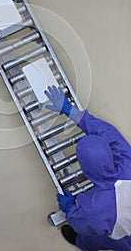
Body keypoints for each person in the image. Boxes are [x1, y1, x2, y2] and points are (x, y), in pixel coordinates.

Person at [44, 85, 131, 251]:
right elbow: (107, 132)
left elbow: (82, 223)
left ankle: (82, 244)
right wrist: (70, 110)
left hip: (125, 235)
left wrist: (69, 208)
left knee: (98, 238)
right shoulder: (128, 160)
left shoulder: (97, 210)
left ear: (85, 169)